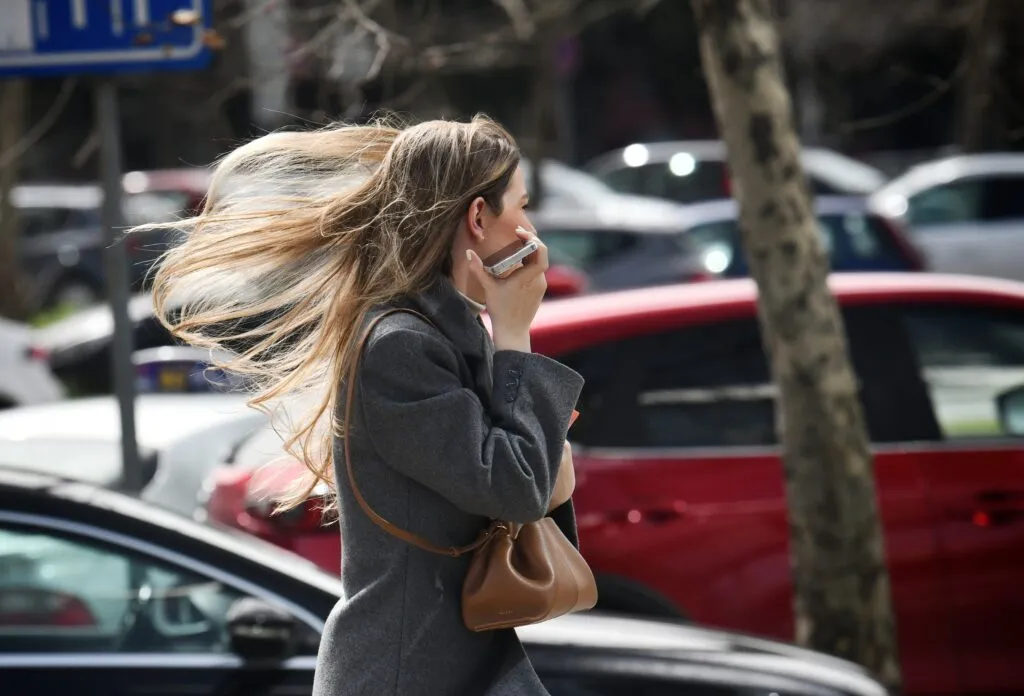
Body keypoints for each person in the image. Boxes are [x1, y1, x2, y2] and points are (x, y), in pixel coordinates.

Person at [146, 115, 584, 696]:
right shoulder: (401, 346)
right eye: (521, 208)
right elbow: (514, 487)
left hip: (452, 659)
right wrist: (515, 335)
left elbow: (525, 490)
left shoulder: (446, 332)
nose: (531, 233)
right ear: (478, 217)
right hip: (403, 671)